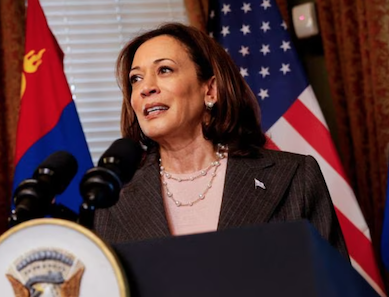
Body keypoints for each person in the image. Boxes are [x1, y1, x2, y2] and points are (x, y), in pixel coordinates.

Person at [94, 23, 347, 257]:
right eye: (135, 78)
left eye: (164, 70)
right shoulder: (113, 197)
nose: (145, 88)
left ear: (211, 90)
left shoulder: (295, 177)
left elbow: (333, 293)